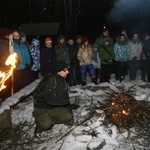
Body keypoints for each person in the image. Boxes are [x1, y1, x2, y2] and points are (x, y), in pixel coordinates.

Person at [33, 61, 73, 134]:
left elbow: (65, 96)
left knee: (68, 116)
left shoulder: (63, 80)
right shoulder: (50, 80)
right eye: (65, 70)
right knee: (46, 124)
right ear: (58, 71)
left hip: (53, 107)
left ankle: (50, 119)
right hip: (41, 107)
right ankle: (40, 125)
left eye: (67, 70)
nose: (67, 72)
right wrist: (65, 102)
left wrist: (69, 108)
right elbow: (50, 100)